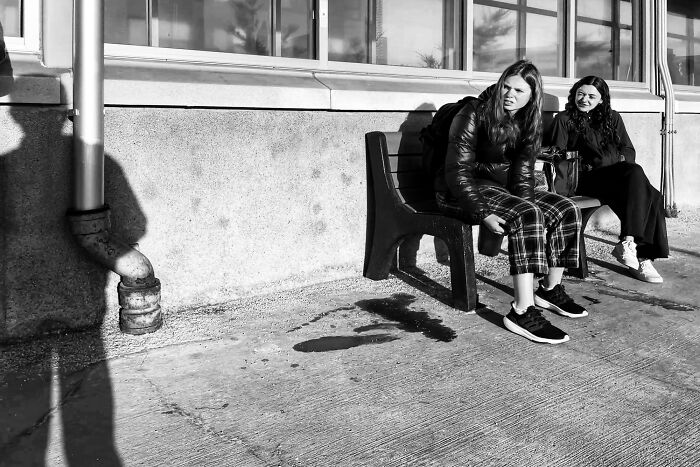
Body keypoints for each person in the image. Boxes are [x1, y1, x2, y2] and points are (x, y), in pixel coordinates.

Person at [434, 59, 587, 345]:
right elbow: (457, 173)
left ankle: (549, 289)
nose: (509, 94)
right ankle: (521, 310)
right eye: (506, 86)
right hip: (460, 191)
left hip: (499, 188)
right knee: (528, 214)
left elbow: (524, 174)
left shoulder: (529, 119)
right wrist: (483, 215)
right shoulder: (473, 113)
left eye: (519, 90)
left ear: (532, 95)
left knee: (565, 209)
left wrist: (532, 212)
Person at [549, 76, 669, 283]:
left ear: (602, 99)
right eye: (581, 94)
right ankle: (640, 256)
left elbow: (628, 150)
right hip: (585, 179)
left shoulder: (612, 118)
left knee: (645, 186)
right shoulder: (564, 119)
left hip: (615, 175)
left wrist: (612, 160)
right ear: (574, 95)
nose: (584, 99)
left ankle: (631, 246)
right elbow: (557, 154)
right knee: (648, 191)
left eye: (591, 96)